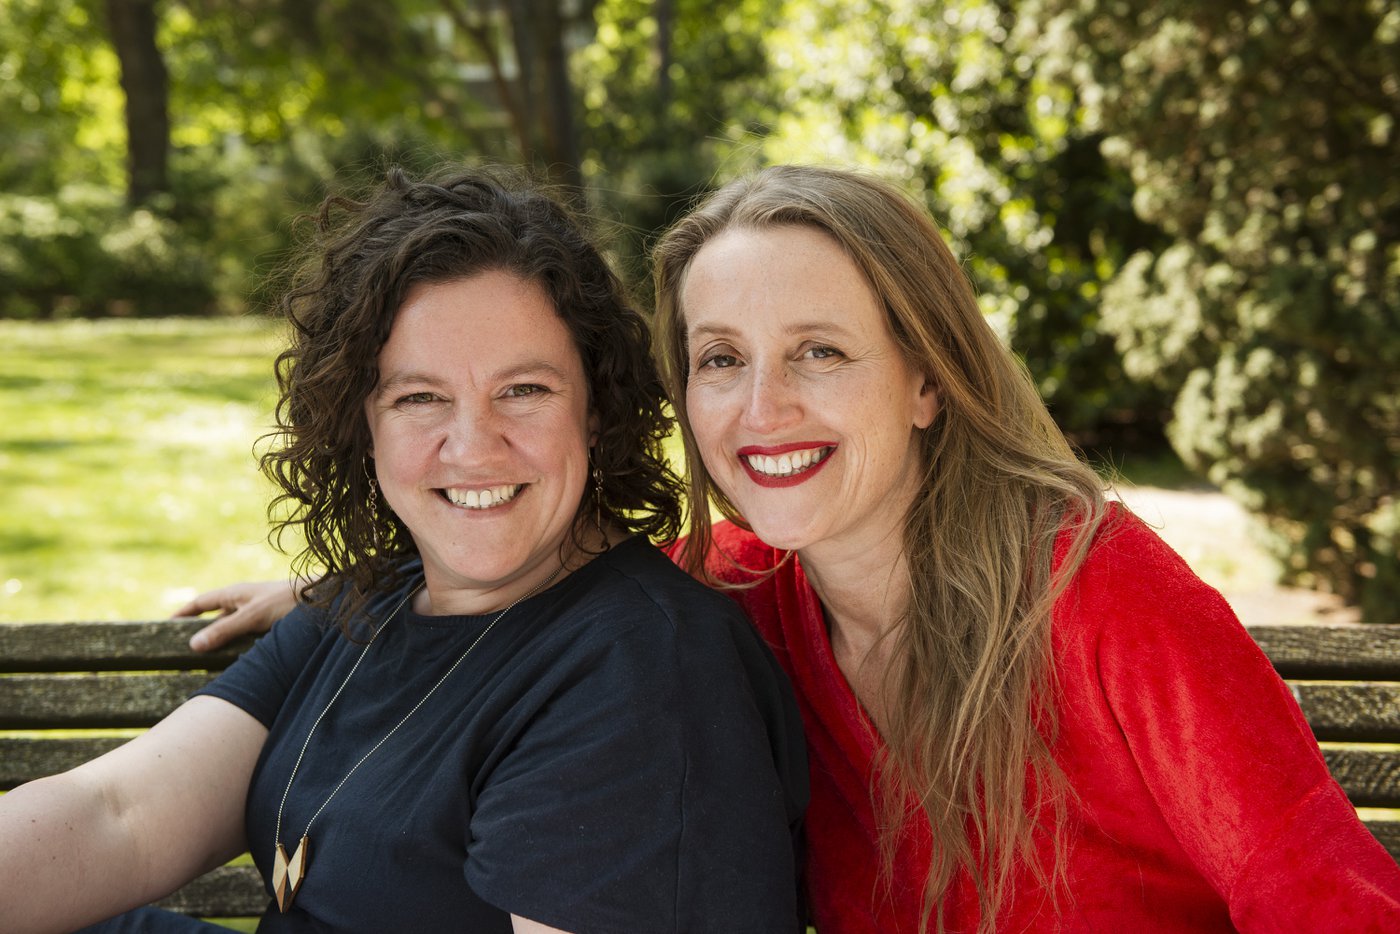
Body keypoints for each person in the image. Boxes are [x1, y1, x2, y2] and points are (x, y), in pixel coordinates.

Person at [179, 165, 1400, 933]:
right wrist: (346, 582)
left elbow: (1327, 898)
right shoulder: (751, 589)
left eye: (817, 351)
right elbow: (534, 535)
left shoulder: (1093, 594)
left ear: (924, 378)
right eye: (720, 359)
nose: (761, 410)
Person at [0, 166, 808, 934]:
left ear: (595, 409)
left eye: (524, 390)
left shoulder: (642, 673)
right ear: (364, 424)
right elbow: (121, 816)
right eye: (420, 397)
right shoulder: (377, 599)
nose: (473, 446)